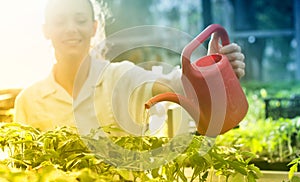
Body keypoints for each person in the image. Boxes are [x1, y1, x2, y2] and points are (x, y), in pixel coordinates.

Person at [14, 0, 246, 136]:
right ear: (46, 30)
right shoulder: (29, 101)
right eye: (60, 21)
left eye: (80, 20)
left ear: (94, 27)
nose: (71, 29)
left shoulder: (121, 78)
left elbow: (179, 86)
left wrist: (212, 75)